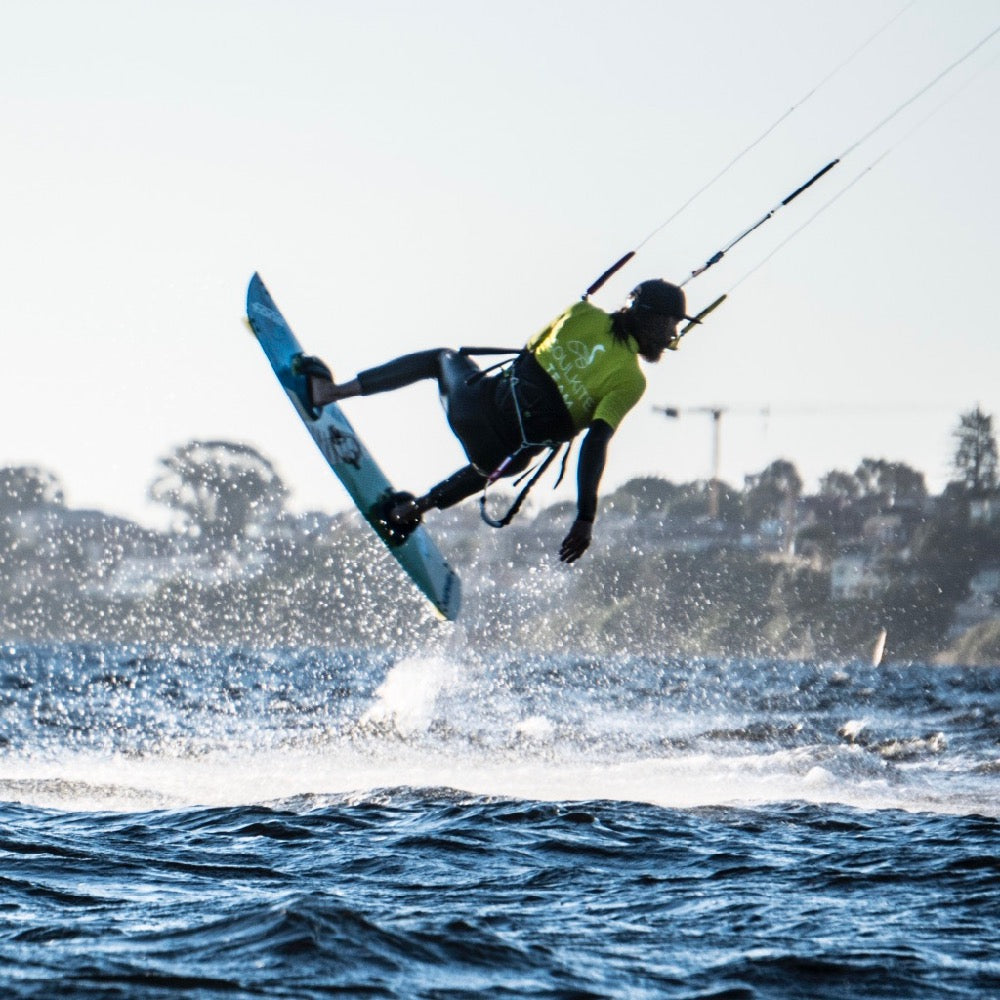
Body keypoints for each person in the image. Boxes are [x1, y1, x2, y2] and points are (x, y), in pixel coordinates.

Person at [302, 279, 687, 563]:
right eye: (671, 324)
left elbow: (529, 352)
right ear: (648, 318)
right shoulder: (631, 381)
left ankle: (332, 392)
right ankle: (410, 511)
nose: (673, 334)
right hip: (498, 458)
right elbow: (595, 442)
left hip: (472, 410)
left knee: (442, 358)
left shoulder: (580, 313)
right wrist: (585, 517)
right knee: (502, 458)